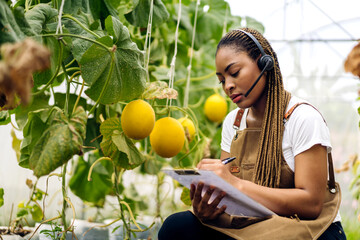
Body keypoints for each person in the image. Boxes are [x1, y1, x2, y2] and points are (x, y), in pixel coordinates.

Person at [158, 28, 346, 240]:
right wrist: (208, 207)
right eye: (222, 80)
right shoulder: (233, 122)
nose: (228, 86)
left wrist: (235, 183)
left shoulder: (302, 118)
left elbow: (311, 204)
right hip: (258, 225)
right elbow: (228, 195)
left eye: (235, 73)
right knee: (177, 226)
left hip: (309, 229)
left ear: (264, 63)